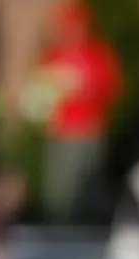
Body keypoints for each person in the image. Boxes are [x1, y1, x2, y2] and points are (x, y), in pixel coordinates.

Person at [26, 0, 123, 223]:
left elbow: (111, 89)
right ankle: (59, 224)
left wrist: (85, 90)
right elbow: (39, 94)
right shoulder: (51, 57)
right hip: (60, 131)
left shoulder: (97, 56)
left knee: (87, 183)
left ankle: (87, 225)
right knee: (59, 189)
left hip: (87, 129)